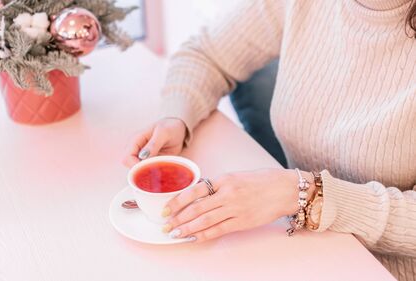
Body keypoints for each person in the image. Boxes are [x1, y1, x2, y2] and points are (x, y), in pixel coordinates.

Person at [122, 0, 416, 280]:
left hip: (384, 268)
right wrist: (177, 117)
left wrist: (304, 194)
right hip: (296, 246)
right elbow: (207, 52)